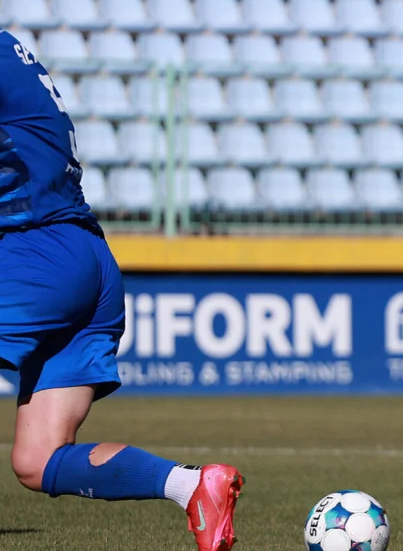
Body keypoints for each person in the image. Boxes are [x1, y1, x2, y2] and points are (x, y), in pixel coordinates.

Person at [0, 28, 244, 551]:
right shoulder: (11, 51)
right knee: (37, 460)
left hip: (31, 253)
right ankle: (192, 487)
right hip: (86, 256)